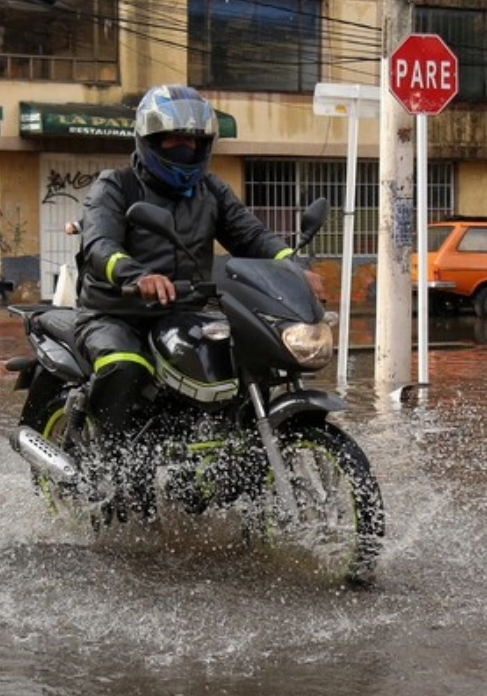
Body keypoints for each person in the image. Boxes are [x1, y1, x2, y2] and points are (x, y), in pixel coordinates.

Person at [74, 84, 323, 450]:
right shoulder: (116, 185)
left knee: (237, 361)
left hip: (185, 310)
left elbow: (251, 235)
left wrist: (294, 268)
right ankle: (110, 465)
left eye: (191, 141)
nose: (183, 149)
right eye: (172, 140)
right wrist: (137, 275)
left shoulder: (211, 190)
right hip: (116, 313)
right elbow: (99, 244)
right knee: (125, 366)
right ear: (149, 140)